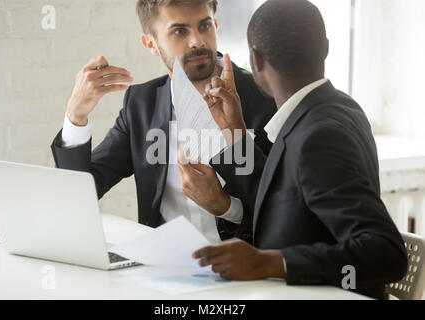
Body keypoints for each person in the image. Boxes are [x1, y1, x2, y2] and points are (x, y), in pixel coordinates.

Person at [183, 0, 407, 299]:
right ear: (325, 48)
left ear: (257, 60)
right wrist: (234, 131)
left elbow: (385, 254)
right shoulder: (336, 107)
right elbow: (283, 194)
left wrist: (270, 263)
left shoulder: (319, 135)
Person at [50, 0, 276, 244]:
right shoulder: (140, 105)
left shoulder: (265, 97)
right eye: (179, 31)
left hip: (248, 269)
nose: (197, 41)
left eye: (204, 26)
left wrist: (225, 207)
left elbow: (287, 209)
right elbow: (80, 193)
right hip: (162, 267)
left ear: (215, 25)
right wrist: (76, 116)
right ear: (151, 44)